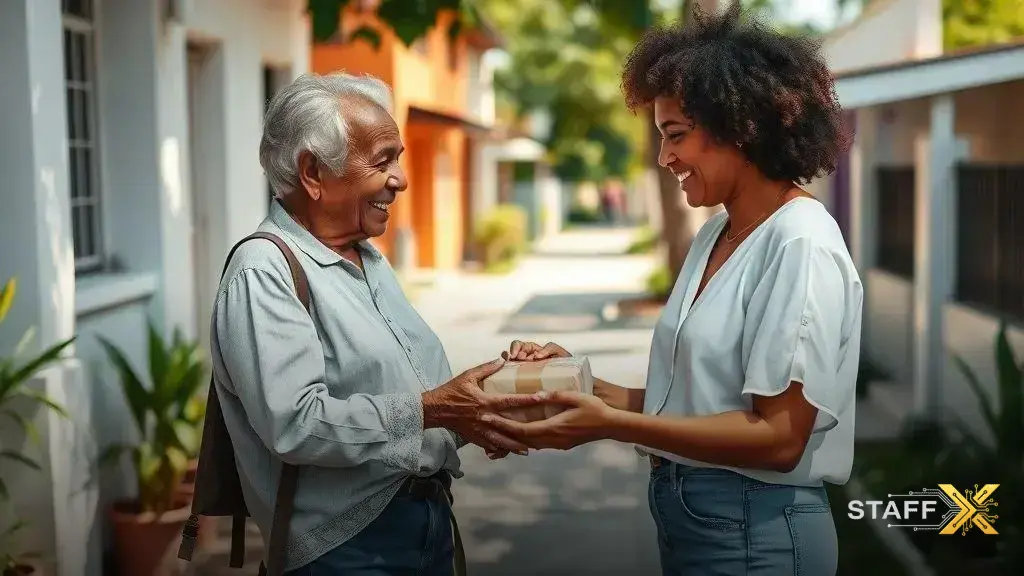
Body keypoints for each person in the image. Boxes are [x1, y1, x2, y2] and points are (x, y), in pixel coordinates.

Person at [485, 5, 861, 576]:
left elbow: (781, 437)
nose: (665, 158)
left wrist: (610, 425)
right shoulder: (718, 233)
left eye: (676, 136)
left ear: (741, 126)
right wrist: (583, 385)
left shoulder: (800, 242)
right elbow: (692, 404)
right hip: (696, 516)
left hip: (757, 530)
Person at [210, 72, 542, 575]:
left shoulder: (366, 258)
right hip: (346, 550)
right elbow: (296, 424)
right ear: (313, 173)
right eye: (382, 159)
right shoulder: (264, 271)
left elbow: (412, 397)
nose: (401, 179)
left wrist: (494, 397)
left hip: (424, 522)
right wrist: (435, 410)